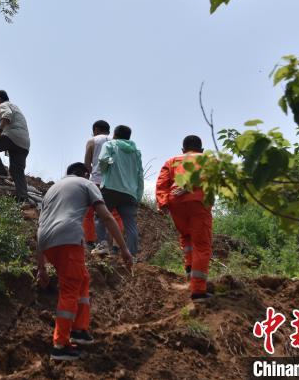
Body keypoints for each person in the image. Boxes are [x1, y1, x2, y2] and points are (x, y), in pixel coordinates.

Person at [37, 162, 132, 361]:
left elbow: (41, 224)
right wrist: (123, 249)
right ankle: (60, 345)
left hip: (47, 242)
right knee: (70, 288)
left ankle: (79, 329)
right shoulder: (85, 184)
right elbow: (105, 216)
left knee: (83, 278)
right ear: (85, 174)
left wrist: (41, 268)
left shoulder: (51, 190)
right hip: (69, 238)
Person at [155, 135, 213, 302]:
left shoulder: (172, 161)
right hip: (198, 202)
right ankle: (198, 290)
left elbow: (161, 184)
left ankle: (189, 269)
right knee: (202, 245)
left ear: (183, 150)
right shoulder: (207, 159)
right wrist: (189, 187)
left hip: (176, 203)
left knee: (186, 236)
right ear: (201, 149)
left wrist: (163, 203)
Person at [91, 125, 144, 258]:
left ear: (114, 134)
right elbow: (140, 175)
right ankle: (132, 254)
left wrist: (106, 170)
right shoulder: (136, 152)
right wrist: (138, 196)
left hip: (110, 188)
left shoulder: (110, 145)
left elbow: (103, 160)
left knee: (100, 217)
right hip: (130, 193)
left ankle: (102, 246)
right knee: (130, 224)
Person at [82, 120, 123, 249]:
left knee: (89, 212)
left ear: (95, 129)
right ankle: (116, 246)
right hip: (114, 183)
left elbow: (87, 165)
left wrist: (89, 175)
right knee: (115, 214)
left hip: (97, 182)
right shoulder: (117, 142)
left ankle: (90, 242)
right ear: (109, 131)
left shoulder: (92, 141)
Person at [0, 90, 30, 202]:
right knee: (16, 171)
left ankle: (0, 170)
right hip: (24, 143)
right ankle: (23, 198)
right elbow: (1, 115)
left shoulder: (4, 104)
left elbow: (6, 115)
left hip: (13, 136)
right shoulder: (14, 107)